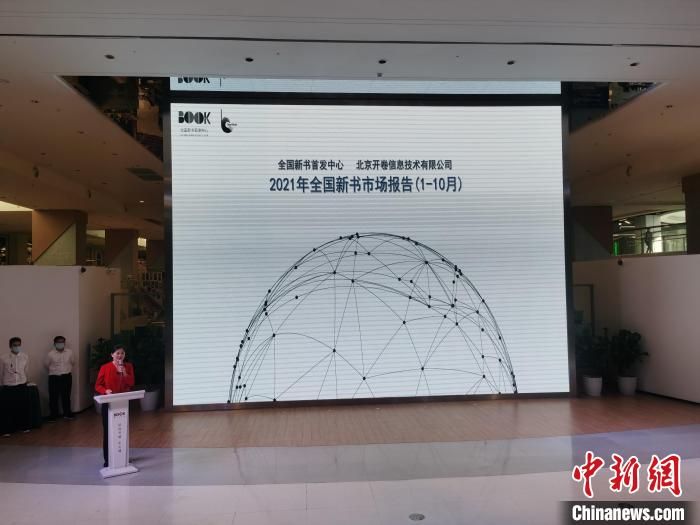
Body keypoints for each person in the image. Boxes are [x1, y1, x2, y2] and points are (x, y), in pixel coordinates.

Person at [95, 344, 134, 467]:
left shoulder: (128, 366)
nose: (120, 355)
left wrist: (125, 373)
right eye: (117, 353)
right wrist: (105, 391)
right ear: (112, 355)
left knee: (122, 430)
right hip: (109, 402)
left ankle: (123, 458)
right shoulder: (105, 367)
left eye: (122, 353)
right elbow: (98, 385)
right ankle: (108, 459)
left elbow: (131, 383)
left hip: (123, 402)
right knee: (108, 431)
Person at [0, 337, 31, 436]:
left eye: (18, 345)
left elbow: (26, 370)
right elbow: (1, 372)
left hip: (21, 384)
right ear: (10, 346)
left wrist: (26, 380)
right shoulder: (3, 358)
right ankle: (7, 430)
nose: (17, 347)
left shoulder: (25, 357)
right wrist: (2, 384)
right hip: (9, 385)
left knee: (22, 407)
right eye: (15, 345)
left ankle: (23, 426)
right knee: (8, 409)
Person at [45, 336, 74, 421]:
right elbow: (46, 364)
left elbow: (73, 362)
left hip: (66, 377)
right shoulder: (50, 354)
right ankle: (54, 415)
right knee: (53, 397)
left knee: (66, 396)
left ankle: (67, 413)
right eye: (58, 342)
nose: (60, 344)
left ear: (64, 343)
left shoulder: (70, 352)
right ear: (54, 344)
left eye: (62, 342)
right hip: (54, 377)